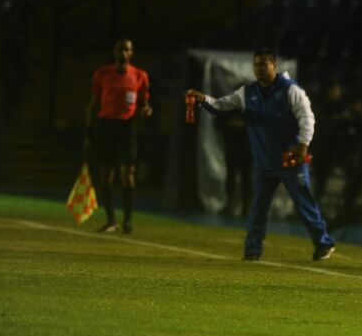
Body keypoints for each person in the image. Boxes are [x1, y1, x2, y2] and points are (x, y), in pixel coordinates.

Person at [185, 48, 336, 262]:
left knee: (304, 204)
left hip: (290, 159)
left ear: (274, 65)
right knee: (258, 208)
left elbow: (307, 118)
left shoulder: (290, 90)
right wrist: (202, 99)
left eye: (264, 64)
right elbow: (221, 105)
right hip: (265, 162)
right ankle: (252, 251)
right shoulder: (247, 92)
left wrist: (303, 145)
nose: (259, 68)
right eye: (256, 64)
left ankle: (323, 243)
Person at [86, 38, 152, 234]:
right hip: (106, 125)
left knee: (128, 174)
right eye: (120, 49)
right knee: (105, 175)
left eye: (127, 50)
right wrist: (88, 128)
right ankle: (111, 221)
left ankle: (128, 222)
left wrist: (146, 110)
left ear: (131, 53)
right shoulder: (102, 74)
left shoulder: (140, 76)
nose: (123, 53)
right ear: (114, 52)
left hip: (127, 127)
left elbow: (144, 103)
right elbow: (93, 103)